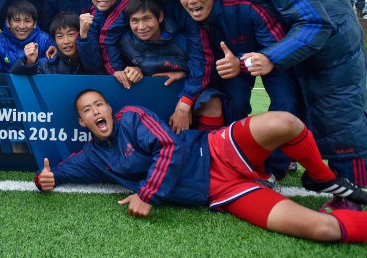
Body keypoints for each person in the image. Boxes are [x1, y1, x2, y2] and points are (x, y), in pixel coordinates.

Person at [34, 89, 367, 243]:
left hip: (217, 150)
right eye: (87, 110)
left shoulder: (132, 117)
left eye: (99, 104)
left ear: (109, 107)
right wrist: (43, 179)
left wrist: (147, 195)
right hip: (221, 192)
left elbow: (169, 147)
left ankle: (322, 179)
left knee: (285, 122)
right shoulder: (92, 157)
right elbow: (58, 173)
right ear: (82, 121)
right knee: (324, 230)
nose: (95, 112)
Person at [198, 0, 367, 210]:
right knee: (295, 104)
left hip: (331, 41)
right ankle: (290, 164)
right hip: (290, 42)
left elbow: (315, 22)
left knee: (337, 111)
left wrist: (270, 56)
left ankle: (354, 195)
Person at [99, 0, 213, 134]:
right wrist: (117, 70)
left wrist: (186, 100)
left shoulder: (183, 1)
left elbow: (201, 53)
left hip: (181, 67)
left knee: (217, 103)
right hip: (145, 69)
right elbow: (108, 35)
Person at [119, 0, 225, 131]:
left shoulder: (182, 40)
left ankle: (207, 149)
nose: (141, 26)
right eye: (135, 21)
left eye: (147, 19)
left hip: (183, 93)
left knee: (212, 104)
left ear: (160, 17)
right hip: (147, 97)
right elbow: (117, 69)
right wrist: (133, 70)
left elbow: (204, 69)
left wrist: (183, 75)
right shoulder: (126, 42)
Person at [76, 0, 124, 74]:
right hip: (111, 76)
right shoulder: (90, 21)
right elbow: (93, 65)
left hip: (133, 72)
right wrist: (83, 35)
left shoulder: (128, 11)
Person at [10, 12, 91, 75]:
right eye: (60, 36)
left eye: (71, 34)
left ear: (80, 33)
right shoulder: (47, 66)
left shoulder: (92, 60)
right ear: (54, 40)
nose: (66, 41)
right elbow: (17, 77)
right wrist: (30, 62)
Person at [0, 0, 55, 73]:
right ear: (8, 23)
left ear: (34, 24)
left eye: (27, 21)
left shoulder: (44, 40)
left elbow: (52, 71)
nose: (22, 26)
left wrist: (34, 62)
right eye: (17, 20)